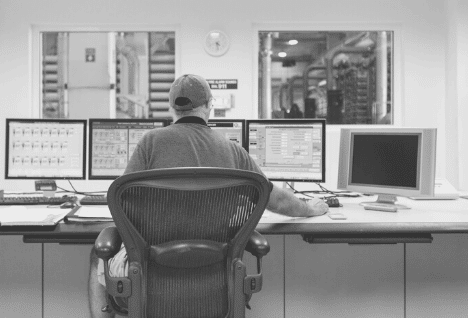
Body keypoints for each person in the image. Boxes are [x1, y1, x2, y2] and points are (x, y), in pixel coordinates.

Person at [88, 74, 328, 317]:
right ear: (209, 106)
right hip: (219, 285)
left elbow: (122, 202)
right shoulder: (233, 150)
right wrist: (309, 208)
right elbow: (276, 199)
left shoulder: (150, 142)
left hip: (149, 284)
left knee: (98, 254)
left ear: (172, 107)